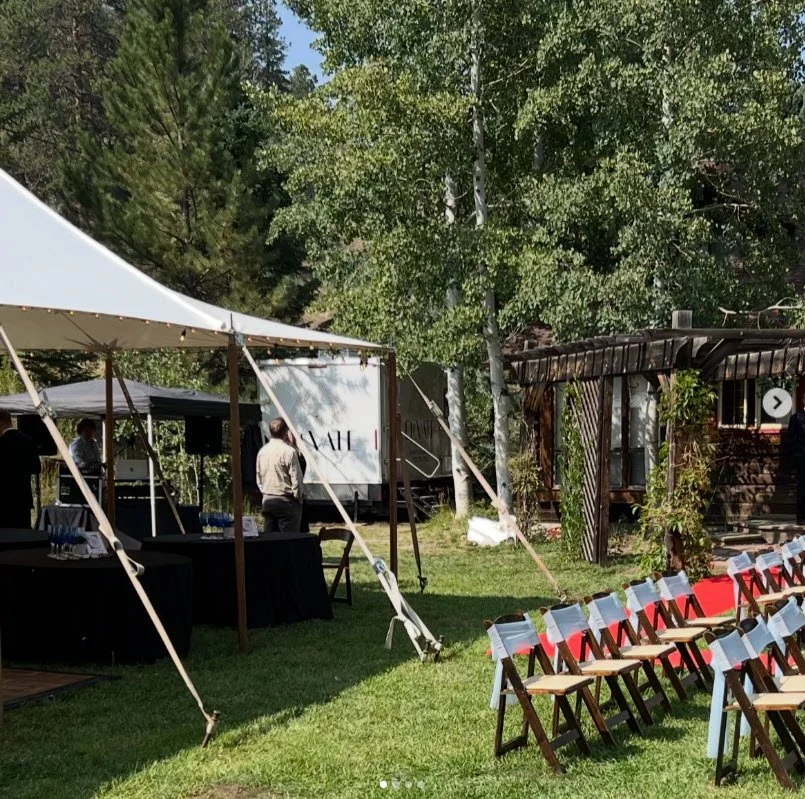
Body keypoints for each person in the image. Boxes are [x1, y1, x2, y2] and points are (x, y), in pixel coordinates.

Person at [256, 418, 303, 533]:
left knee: (269, 537)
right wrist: (298, 497)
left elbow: (259, 477)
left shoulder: (262, 452)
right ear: (286, 432)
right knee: (289, 538)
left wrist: (265, 492)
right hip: (286, 500)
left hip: (268, 499)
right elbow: (296, 479)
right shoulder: (289, 452)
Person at [0, 410, 41, 529]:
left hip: (4, 502)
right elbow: (37, 468)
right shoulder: (27, 440)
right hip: (23, 500)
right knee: (22, 536)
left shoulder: (1, 443)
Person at [285, 428, 309, 533]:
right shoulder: (291, 452)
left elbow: (298, 475)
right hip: (292, 493)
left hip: (295, 493)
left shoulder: (295, 453)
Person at [789, 403, 805, 524]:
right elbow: (791, 439)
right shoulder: (796, 418)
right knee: (803, 487)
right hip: (802, 458)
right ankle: (801, 517)